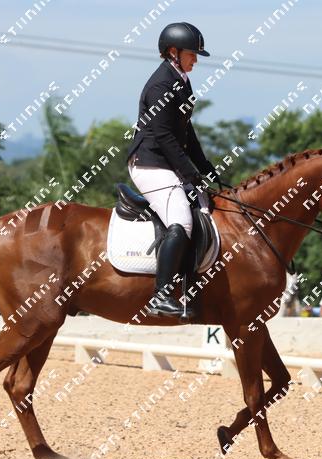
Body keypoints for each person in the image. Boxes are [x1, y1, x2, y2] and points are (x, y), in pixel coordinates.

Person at [127, 22, 221, 318]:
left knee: (204, 207)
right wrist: (189, 172)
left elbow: (186, 131)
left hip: (166, 163)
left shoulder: (181, 80)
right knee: (182, 220)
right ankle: (160, 295)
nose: (195, 60)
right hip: (150, 163)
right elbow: (164, 135)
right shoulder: (161, 84)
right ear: (173, 52)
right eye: (192, 54)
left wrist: (205, 166)